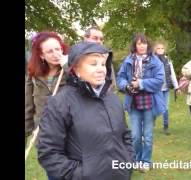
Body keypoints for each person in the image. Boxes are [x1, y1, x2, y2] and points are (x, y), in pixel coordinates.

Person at [37, 41, 134, 180]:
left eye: (103, 64)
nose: (101, 69)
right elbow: (49, 153)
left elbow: (125, 135)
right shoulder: (60, 103)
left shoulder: (113, 99)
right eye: (93, 64)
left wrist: (127, 162)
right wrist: (82, 175)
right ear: (76, 69)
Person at [117, 33, 165, 172]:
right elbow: (120, 78)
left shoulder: (155, 61)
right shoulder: (128, 61)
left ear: (147, 45)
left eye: (144, 43)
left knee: (148, 136)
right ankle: (137, 160)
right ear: (135, 46)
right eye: (139, 43)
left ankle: (146, 161)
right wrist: (126, 86)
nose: (142, 46)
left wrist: (141, 83)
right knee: (135, 136)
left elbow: (159, 80)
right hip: (133, 103)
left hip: (150, 103)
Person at [25, 31, 69, 180]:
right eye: (50, 51)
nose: (56, 53)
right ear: (41, 55)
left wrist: (68, 67)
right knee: (54, 175)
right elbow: (28, 106)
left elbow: (85, 87)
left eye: (58, 49)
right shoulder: (33, 75)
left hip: (72, 135)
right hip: (46, 138)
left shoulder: (72, 70)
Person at [153, 42, 179, 135]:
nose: (160, 50)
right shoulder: (152, 60)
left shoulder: (168, 60)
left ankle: (166, 126)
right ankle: (151, 123)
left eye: (162, 48)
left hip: (166, 88)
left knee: (165, 108)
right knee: (156, 107)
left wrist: (176, 87)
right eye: (158, 48)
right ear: (155, 50)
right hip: (156, 89)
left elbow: (172, 74)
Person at [84, 26, 116, 91]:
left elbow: (112, 84)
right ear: (85, 39)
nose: (99, 41)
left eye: (101, 39)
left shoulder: (106, 58)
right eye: (95, 38)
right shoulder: (77, 57)